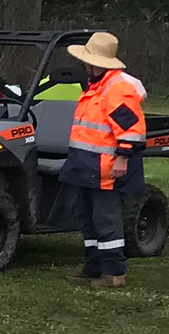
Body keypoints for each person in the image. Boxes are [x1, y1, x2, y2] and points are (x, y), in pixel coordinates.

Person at [59, 32, 147, 289]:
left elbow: (131, 129)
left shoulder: (116, 87)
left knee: (106, 219)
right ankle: (94, 267)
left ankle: (114, 273)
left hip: (104, 167)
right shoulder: (97, 85)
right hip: (85, 164)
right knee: (87, 217)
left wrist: (122, 158)